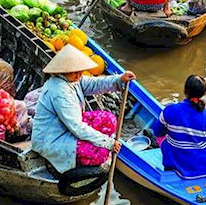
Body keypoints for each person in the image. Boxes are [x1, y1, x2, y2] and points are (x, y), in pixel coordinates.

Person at [30, 44, 135, 175]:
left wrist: (119, 79)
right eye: (75, 72)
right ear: (63, 71)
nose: (79, 75)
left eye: (80, 71)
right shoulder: (59, 92)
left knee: (109, 119)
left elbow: (94, 84)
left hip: (66, 126)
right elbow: (76, 127)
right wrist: (107, 143)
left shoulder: (73, 80)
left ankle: (92, 143)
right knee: (100, 154)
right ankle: (72, 163)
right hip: (52, 138)